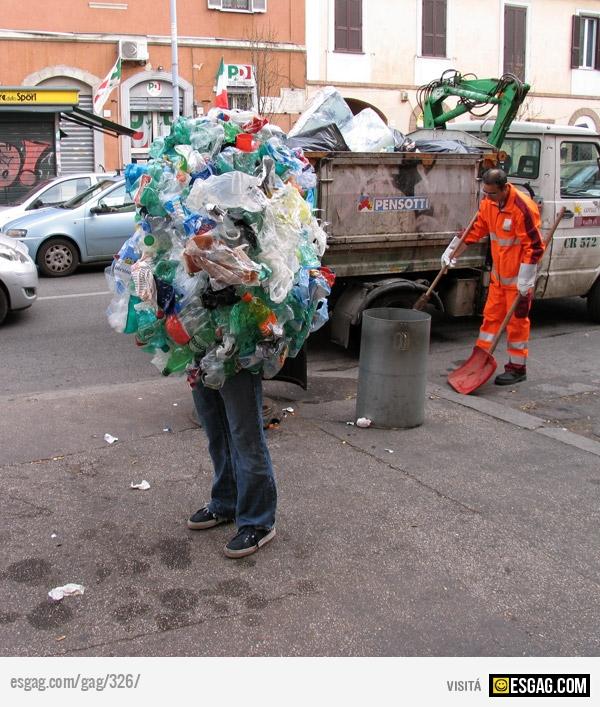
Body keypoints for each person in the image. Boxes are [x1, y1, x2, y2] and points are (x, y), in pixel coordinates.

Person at [442, 168, 545, 385]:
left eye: (492, 193)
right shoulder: (489, 204)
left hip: (519, 283)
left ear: (505, 188)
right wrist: (452, 252)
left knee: (517, 324)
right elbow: (475, 230)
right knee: (490, 320)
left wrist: (526, 280)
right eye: (485, 193)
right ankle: (478, 361)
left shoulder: (522, 208)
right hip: (499, 280)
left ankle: (517, 368)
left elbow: (534, 247)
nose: (488, 197)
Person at [187, 369, 277, 559]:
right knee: (215, 427)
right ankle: (226, 501)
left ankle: (258, 521)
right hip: (199, 348)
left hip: (237, 352)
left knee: (246, 436)